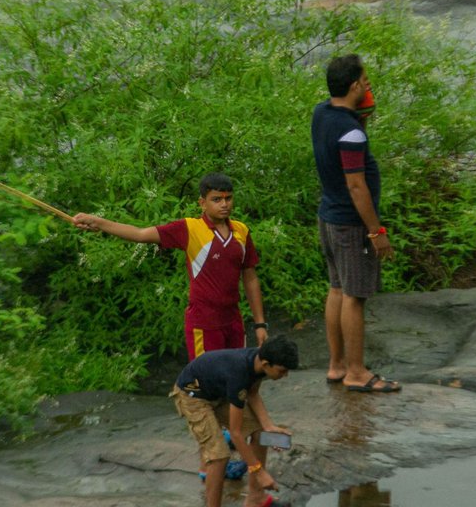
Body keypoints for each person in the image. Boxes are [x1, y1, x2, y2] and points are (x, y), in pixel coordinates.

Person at [72, 172, 269, 359]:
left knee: (237, 383)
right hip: (204, 324)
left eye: (228, 198)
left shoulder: (241, 231)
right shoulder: (189, 228)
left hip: (234, 321)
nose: (224, 204)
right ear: (202, 203)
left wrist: (260, 323)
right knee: (206, 386)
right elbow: (140, 234)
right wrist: (98, 222)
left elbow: (250, 277)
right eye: (216, 199)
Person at [310, 54, 400, 393]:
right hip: (350, 223)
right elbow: (356, 185)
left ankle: (337, 365)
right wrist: (377, 232)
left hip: (327, 216)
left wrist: (361, 114)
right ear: (353, 86)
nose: (368, 86)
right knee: (355, 295)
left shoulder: (322, 114)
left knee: (336, 288)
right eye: (364, 82)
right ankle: (357, 372)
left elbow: (343, 131)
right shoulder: (351, 134)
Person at [171, 336, 298, 507]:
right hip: (193, 397)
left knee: (260, 432)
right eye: (282, 371)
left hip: (218, 391)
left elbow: (252, 393)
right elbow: (236, 434)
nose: (286, 376)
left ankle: (256, 499)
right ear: (267, 364)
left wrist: (269, 426)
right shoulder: (239, 374)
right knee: (219, 456)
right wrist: (259, 471)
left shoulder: (257, 361)